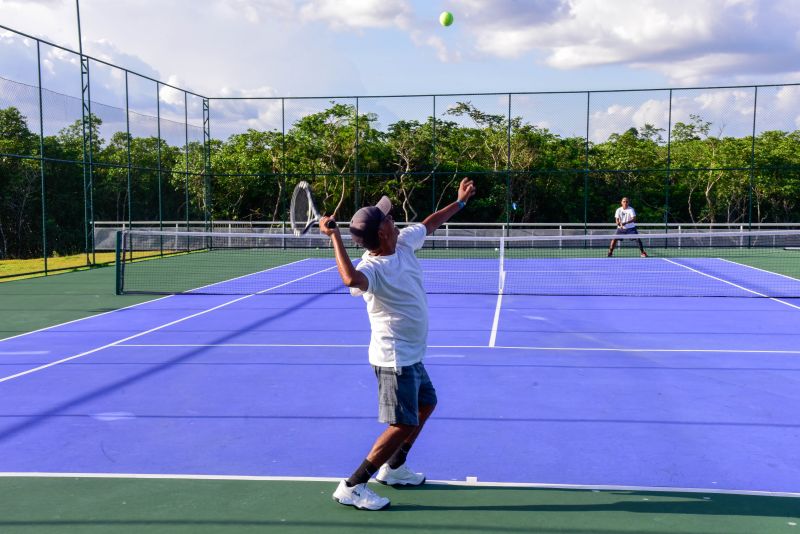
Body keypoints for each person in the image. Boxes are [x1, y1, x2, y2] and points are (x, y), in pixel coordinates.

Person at [320, 178, 476, 511]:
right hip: (394, 359)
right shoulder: (372, 268)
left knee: (426, 405)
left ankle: (394, 468)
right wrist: (334, 236)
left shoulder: (403, 241)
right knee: (402, 422)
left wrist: (460, 202)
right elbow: (350, 280)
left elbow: (431, 222)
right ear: (381, 233)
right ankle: (353, 485)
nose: (394, 218)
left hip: (412, 355)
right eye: (389, 218)